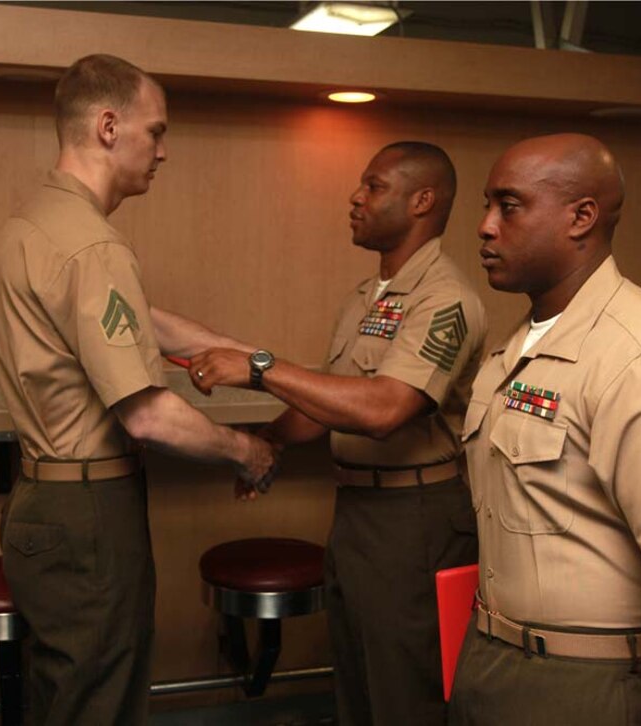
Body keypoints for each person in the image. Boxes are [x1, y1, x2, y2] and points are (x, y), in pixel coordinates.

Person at [0, 54, 277, 725]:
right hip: (88, 513)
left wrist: (249, 355)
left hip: (41, 500)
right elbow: (149, 416)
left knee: (65, 695)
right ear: (110, 126)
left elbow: (137, 318)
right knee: (100, 705)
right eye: (156, 132)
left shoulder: (33, 225)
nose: (164, 152)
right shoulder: (94, 246)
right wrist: (246, 451)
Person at [188, 142, 486, 726]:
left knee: (406, 694)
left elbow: (384, 409)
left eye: (373, 186)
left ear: (422, 200)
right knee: (355, 685)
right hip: (357, 510)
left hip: (414, 517)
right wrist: (269, 441)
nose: (355, 197)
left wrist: (260, 367)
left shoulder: (445, 300)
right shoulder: (365, 299)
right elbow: (333, 399)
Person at [449, 133, 641, 725]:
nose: (484, 225)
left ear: (582, 217)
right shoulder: (524, 344)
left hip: (587, 683)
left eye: (509, 205)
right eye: (487, 204)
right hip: (492, 658)